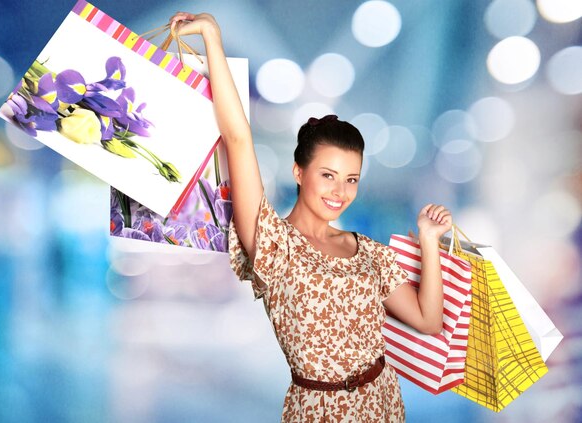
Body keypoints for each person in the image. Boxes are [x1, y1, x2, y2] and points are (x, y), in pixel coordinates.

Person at [169, 11, 453, 423]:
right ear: (298, 172)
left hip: (384, 404)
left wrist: (428, 240)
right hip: (316, 410)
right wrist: (213, 37)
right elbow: (237, 137)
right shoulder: (272, 244)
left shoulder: (370, 253)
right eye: (328, 175)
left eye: (352, 179)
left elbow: (428, 321)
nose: (340, 192)